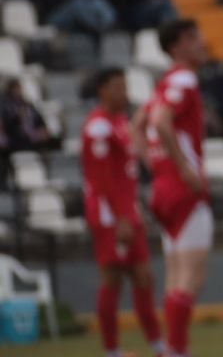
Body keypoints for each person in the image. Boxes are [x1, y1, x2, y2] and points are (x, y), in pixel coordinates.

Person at [142, 19, 214, 357]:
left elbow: (136, 126)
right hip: (183, 187)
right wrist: (184, 167)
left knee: (174, 277)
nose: (201, 42)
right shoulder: (184, 78)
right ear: (176, 47)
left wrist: (156, 165)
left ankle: (171, 348)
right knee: (191, 277)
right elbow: (159, 122)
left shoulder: (163, 83)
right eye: (193, 37)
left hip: (163, 186)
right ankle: (178, 350)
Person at [82, 68, 165, 357]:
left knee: (144, 277)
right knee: (113, 277)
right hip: (111, 215)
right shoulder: (98, 127)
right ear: (102, 91)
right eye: (117, 87)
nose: (124, 93)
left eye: (125, 86)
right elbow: (103, 178)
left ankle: (158, 345)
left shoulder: (119, 122)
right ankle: (113, 351)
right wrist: (120, 217)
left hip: (127, 211)